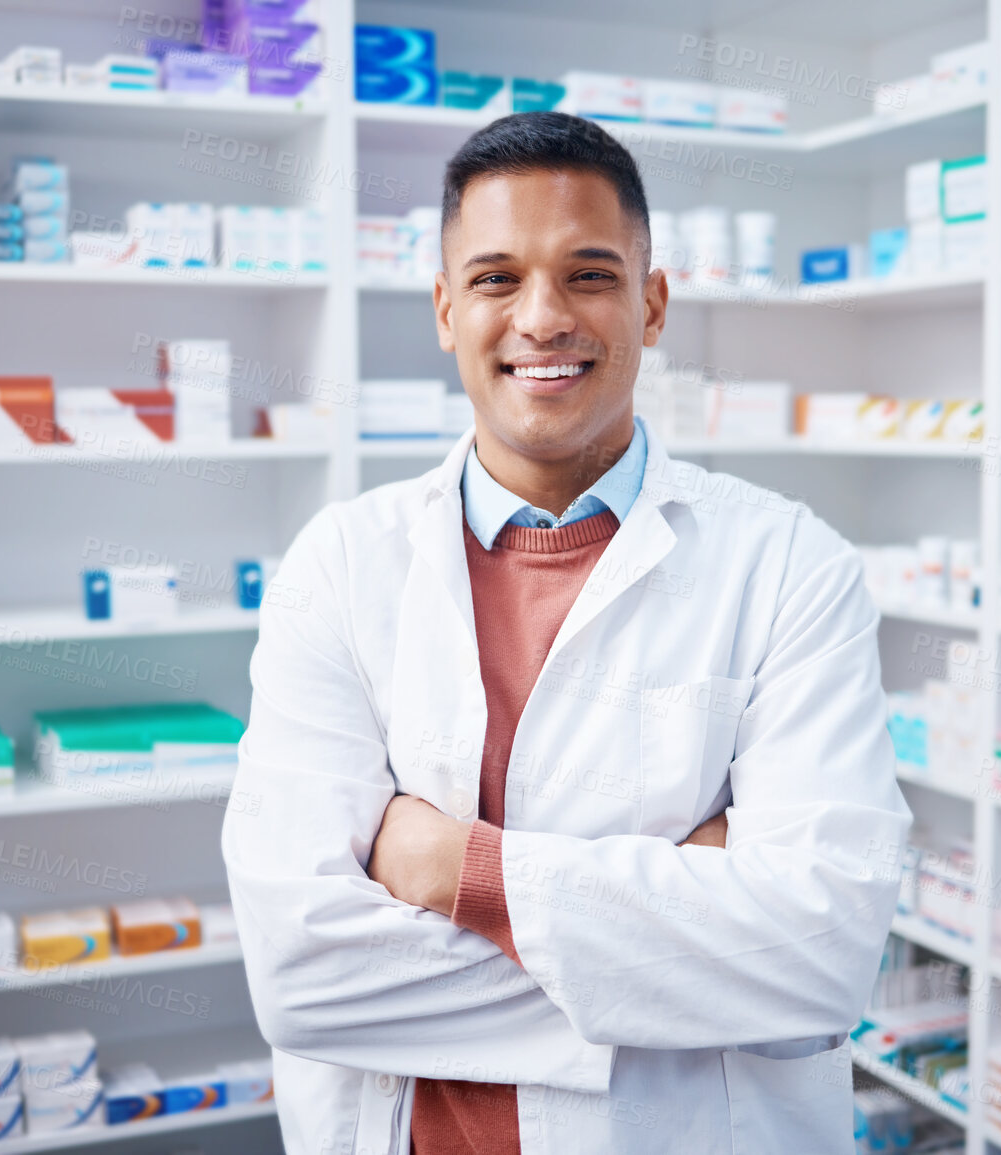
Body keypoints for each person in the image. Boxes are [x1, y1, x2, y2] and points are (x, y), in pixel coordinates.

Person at [222, 111, 912, 1155]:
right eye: (496, 279)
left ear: (653, 300)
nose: (541, 318)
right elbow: (300, 976)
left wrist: (454, 872)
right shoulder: (341, 564)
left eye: (589, 275)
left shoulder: (789, 567)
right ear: (447, 312)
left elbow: (820, 959)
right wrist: (677, 954)